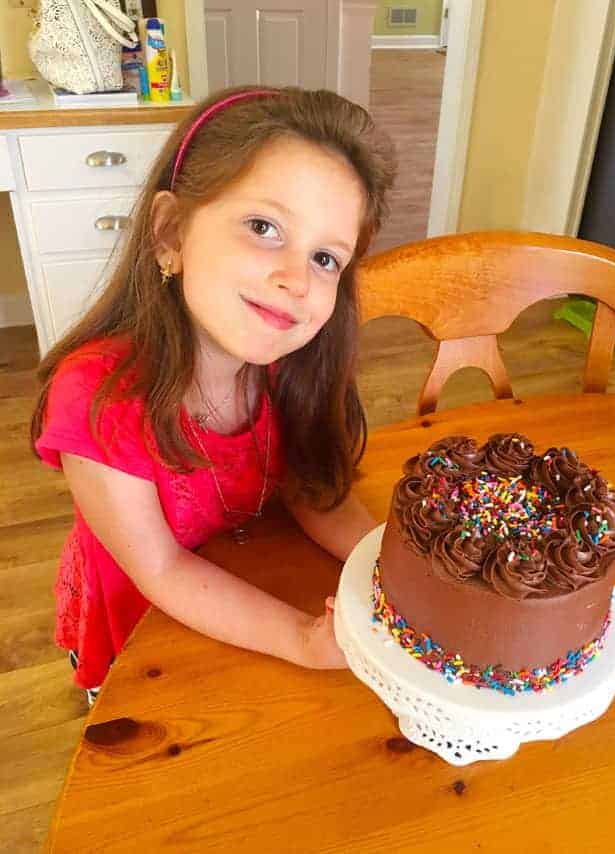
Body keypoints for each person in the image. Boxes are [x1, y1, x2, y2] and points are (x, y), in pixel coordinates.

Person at [30, 86, 396, 705]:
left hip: (243, 581)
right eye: (264, 227)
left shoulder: (285, 365)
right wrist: (305, 638)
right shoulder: (96, 399)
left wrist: (398, 568)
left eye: (327, 258)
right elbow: (162, 570)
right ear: (171, 233)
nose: (297, 279)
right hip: (142, 630)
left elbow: (311, 494)